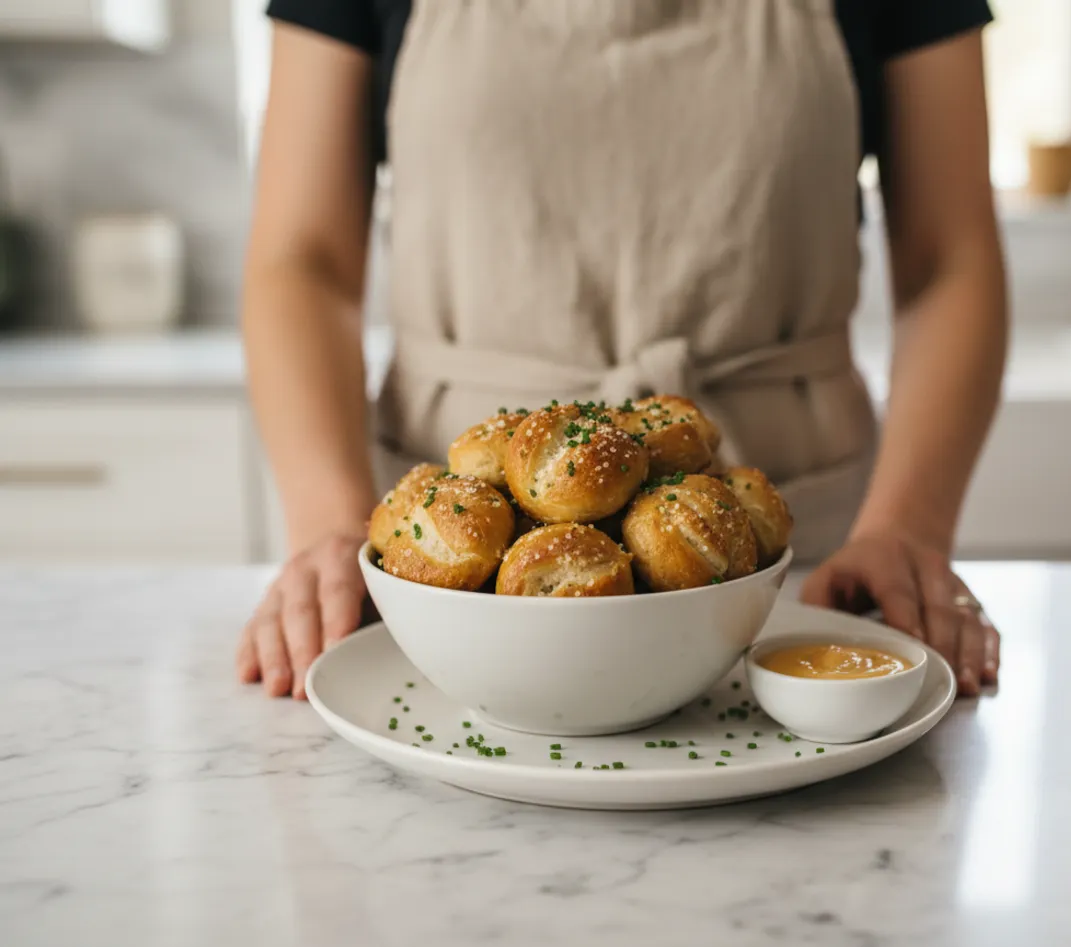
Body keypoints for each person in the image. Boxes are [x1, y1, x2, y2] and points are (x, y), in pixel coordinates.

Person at [237, 0, 1006, 702]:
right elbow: (305, 260)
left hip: (799, 566)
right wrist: (327, 521)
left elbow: (949, 260)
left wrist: (908, 526)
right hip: (450, 585)